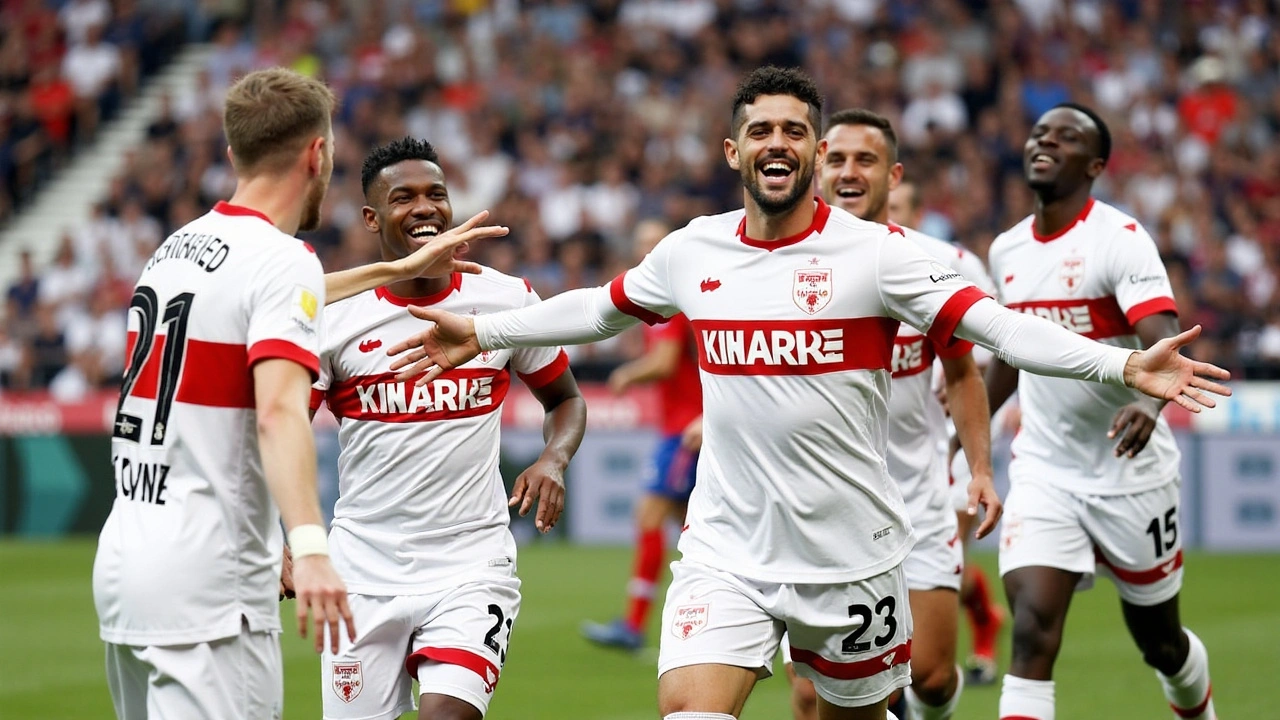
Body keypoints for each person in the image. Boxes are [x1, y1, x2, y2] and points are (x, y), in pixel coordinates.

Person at [386, 68, 1229, 720]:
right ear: (734, 152)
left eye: (795, 130)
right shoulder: (695, 250)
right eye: (760, 131)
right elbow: (600, 312)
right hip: (728, 554)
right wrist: (488, 332)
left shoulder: (877, 257)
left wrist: (1122, 367)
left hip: (851, 560)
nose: (776, 142)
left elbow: (998, 332)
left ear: (817, 154)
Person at [91, 67, 355, 720]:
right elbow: (278, 412)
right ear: (317, 154)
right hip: (210, 587)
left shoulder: (175, 247)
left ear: (234, 153)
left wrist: (390, 274)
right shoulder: (286, 258)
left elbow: (262, 299)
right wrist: (312, 547)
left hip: (130, 567)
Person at [306, 137, 586, 720]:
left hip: (472, 565)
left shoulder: (504, 300)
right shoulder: (334, 318)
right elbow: (280, 433)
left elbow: (565, 399)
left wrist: (553, 459)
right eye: (403, 197)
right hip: (361, 572)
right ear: (371, 217)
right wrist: (290, 539)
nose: (425, 207)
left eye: (436, 194)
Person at [986, 104, 1219, 720]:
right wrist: (965, 434)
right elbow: (1009, 354)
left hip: (1130, 474)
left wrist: (1148, 405)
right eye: (1039, 133)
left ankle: (1196, 704)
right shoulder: (1006, 249)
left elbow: (1161, 343)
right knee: (1033, 630)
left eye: (1065, 138)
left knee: (1161, 645)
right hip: (1045, 470)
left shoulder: (1118, 240)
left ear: (1093, 166)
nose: (1045, 142)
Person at [776, 108, 1000, 720]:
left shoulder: (934, 265)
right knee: (810, 691)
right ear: (819, 166)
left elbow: (964, 372)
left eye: (866, 160)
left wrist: (977, 466)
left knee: (927, 678)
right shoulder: (780, 263)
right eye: (838, 159)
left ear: (893, 175)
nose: (849, 172)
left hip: (917, 500)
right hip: (820, 508)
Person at [888, 179, 1007, 687]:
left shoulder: (953, 261)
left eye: (895, 207)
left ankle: (971, 628)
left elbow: (995, 340)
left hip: (950, 436)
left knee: (940, 545)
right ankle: (978, 617)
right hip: (881, 447)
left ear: (913, 210)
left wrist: (950, 376)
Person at [582, 218, 705, 651]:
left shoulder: (673, 299)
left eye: (655, 244)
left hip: (687, 430)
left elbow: (667, 362)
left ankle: (634, 626)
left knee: (650, 517)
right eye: (642, 245)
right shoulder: (672, 297)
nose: (648, 252)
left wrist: (628, 373)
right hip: (689, 425)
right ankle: (703, 619)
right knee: (694, 530)